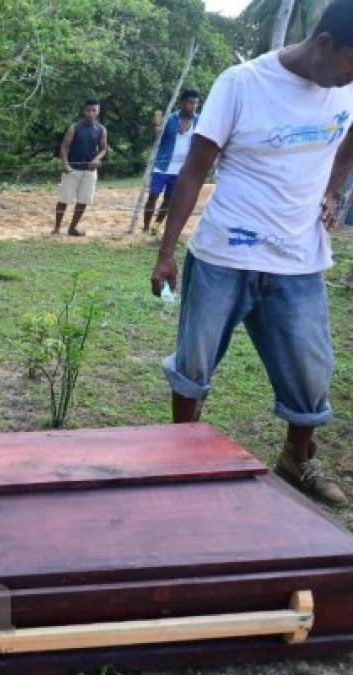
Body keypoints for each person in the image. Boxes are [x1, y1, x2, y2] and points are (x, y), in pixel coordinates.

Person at [150, 0, 353, 505]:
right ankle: (182, 456)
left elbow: (349, 138)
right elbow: (194, 169)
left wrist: (335, 188)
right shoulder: (242, 84)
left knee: (311, 371)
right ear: (323, 44)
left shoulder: (346, 85)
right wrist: (166, 252)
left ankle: (296, 459)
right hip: (224, 256)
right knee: (193, 365)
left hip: (299, 261)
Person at [143, 90, 200, 234]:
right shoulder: (169, 118)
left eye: (196, 103)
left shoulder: (199, 121)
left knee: (169, 200)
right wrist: (156, 130)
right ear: (182, 103)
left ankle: (156, 227)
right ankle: (145, 227)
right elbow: (156, 140)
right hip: (162, 165)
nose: (193, 106)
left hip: (181, 168)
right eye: (190, 103)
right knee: (153, 196)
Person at [53, 98, 108, 237]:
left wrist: (97, 159)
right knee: (64, 200)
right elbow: (64, 147)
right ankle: (57, 228)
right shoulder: (75, 127)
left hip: (89, 171)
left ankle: (72, 228)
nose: (91, 113)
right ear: (83, 111)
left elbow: (103, 149)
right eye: (88, 110)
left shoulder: (101, 129)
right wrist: (65, 164)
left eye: (94, 110)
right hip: (72, 169)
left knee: (83, 201)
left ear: (98, 111)